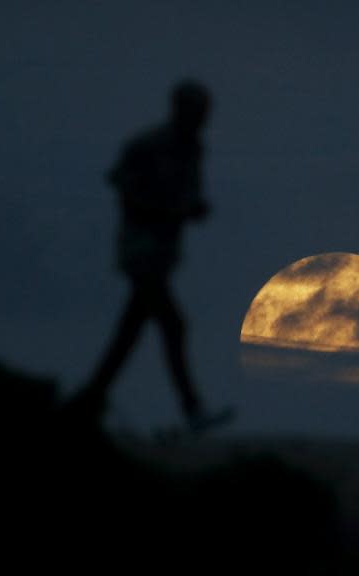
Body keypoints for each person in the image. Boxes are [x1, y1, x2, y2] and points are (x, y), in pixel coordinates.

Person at [73, 81, 229, 432]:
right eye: (195, 112)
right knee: (173, 325)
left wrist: (191, 209)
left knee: (130, 332)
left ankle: (89, 399)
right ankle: (192, 410)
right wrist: (171, 210)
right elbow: (127, 192)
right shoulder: (148, 146)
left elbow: (188, 197)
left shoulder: (193, 150)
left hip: (163, 255)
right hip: (141, 252)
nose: (200, 120)